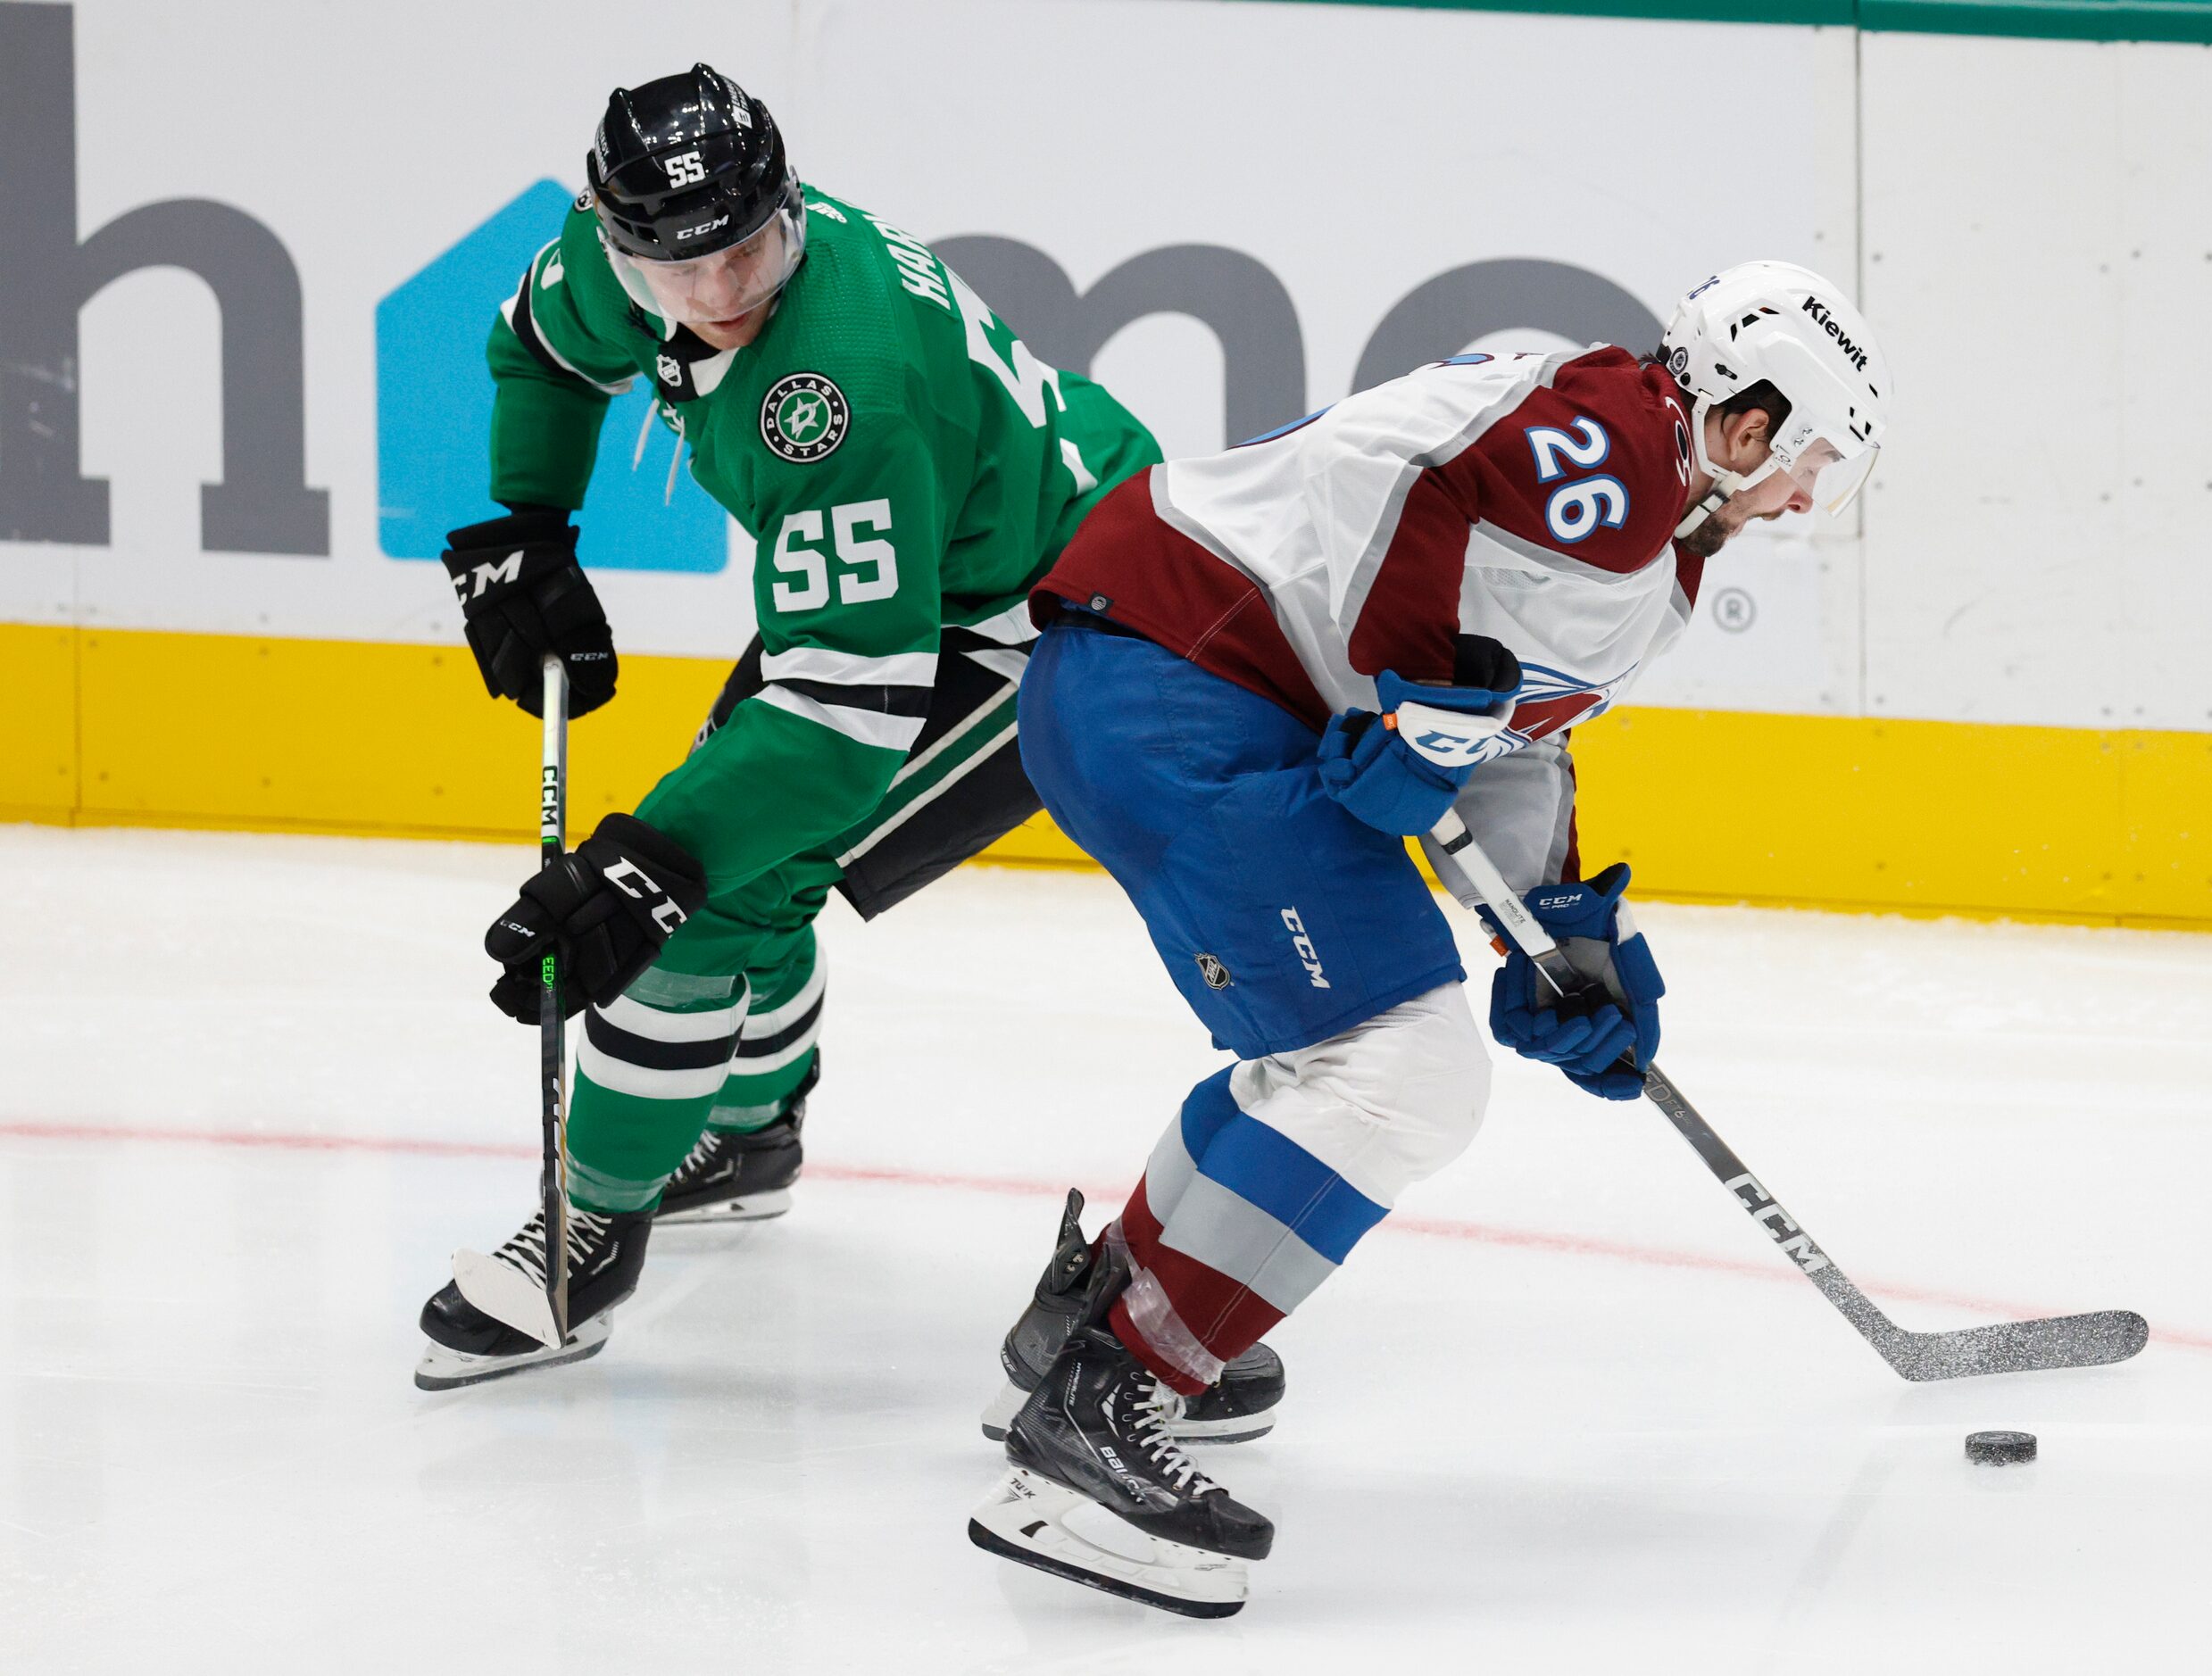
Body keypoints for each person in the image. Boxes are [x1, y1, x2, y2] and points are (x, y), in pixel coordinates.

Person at [965, 261, 1893, 1616]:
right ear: (1747, 421)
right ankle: (1095, 1414)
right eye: (1810, 458)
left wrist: (1556, 930)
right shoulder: (1622, 448)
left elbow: (1504, 720)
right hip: (1178, 680)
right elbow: (1414, 479)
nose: (1806, 496)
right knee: (1397, 1068)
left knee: (1342, 1060)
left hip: (1165, 685)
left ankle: (1093, 1322)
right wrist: (1413, 696)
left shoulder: (1656, 524)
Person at [410, 62, 1192, 1398]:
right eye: (678, 268)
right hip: (934, 575)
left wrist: (645, 862)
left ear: (786, 202)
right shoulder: (632, 253)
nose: (721, 292)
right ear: (615, 238)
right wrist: (524, 526)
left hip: (1067, 618)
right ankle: (751, 1132)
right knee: (732, 846)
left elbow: (838, 726)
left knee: (707, 882)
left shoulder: (836, 385)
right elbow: (535, 351)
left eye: (751, 248)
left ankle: (589, 1223)